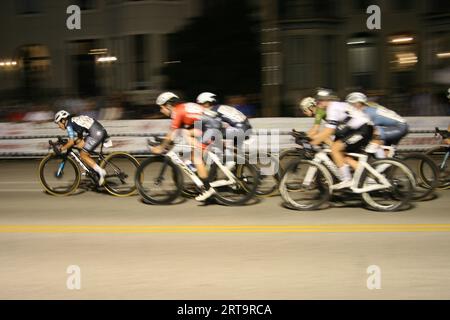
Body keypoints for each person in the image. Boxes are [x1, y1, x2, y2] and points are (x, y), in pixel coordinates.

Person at [152, 92, 221, 201]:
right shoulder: (182, 108)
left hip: (210, 127)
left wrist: (161, 147)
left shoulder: (177, 112)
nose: (161, 111)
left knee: (196, 156)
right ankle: (201, 171)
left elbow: (171, 133)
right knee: (186, 137)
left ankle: (208, 189)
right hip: (211, 124)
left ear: (168, 105)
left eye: (161, 108)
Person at [309, 89, 374, 189]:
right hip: (360, 128)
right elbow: (331, 129)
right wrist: (318, 138)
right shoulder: (334, 106)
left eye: (319, 101)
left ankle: (346, 180)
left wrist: (313, 142)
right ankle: (369, 179)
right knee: (344, 157)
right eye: (317, 101)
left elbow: (329, 131)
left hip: (362, 129)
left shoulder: (332, 108)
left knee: (335, 148)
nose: (317, 103)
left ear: (327, 100)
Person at [196, 92, 252, 168]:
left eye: (200, 104)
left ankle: (229, 161)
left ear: (206, 103)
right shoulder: (222, 107)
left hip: (238, 129)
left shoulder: (211, 111)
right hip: (245, 128)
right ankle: (239, 164)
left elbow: (214, 126)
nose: (199, 106)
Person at [345, 92, 409, 158]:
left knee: (371, 144)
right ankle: (385, 163)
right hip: (398, 127)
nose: (350, 106)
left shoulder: (367, 112)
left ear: (358, 103)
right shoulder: (370, 107)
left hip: (399, 127)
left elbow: (370, 129)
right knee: (386, 154)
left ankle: (380, 162)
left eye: (351, 104)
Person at [54, 110, 107, 186]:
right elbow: (79, 139)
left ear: (63, 120)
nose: (58, 126)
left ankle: (101, 171)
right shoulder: (73, 121)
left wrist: (61, 149)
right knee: (80, 147)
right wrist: (68, 144)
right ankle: (92, 168)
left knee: (83, 155)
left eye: (58, 123)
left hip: (96, 133)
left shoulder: (69, 125)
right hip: (97, 131)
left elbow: (71, 142)